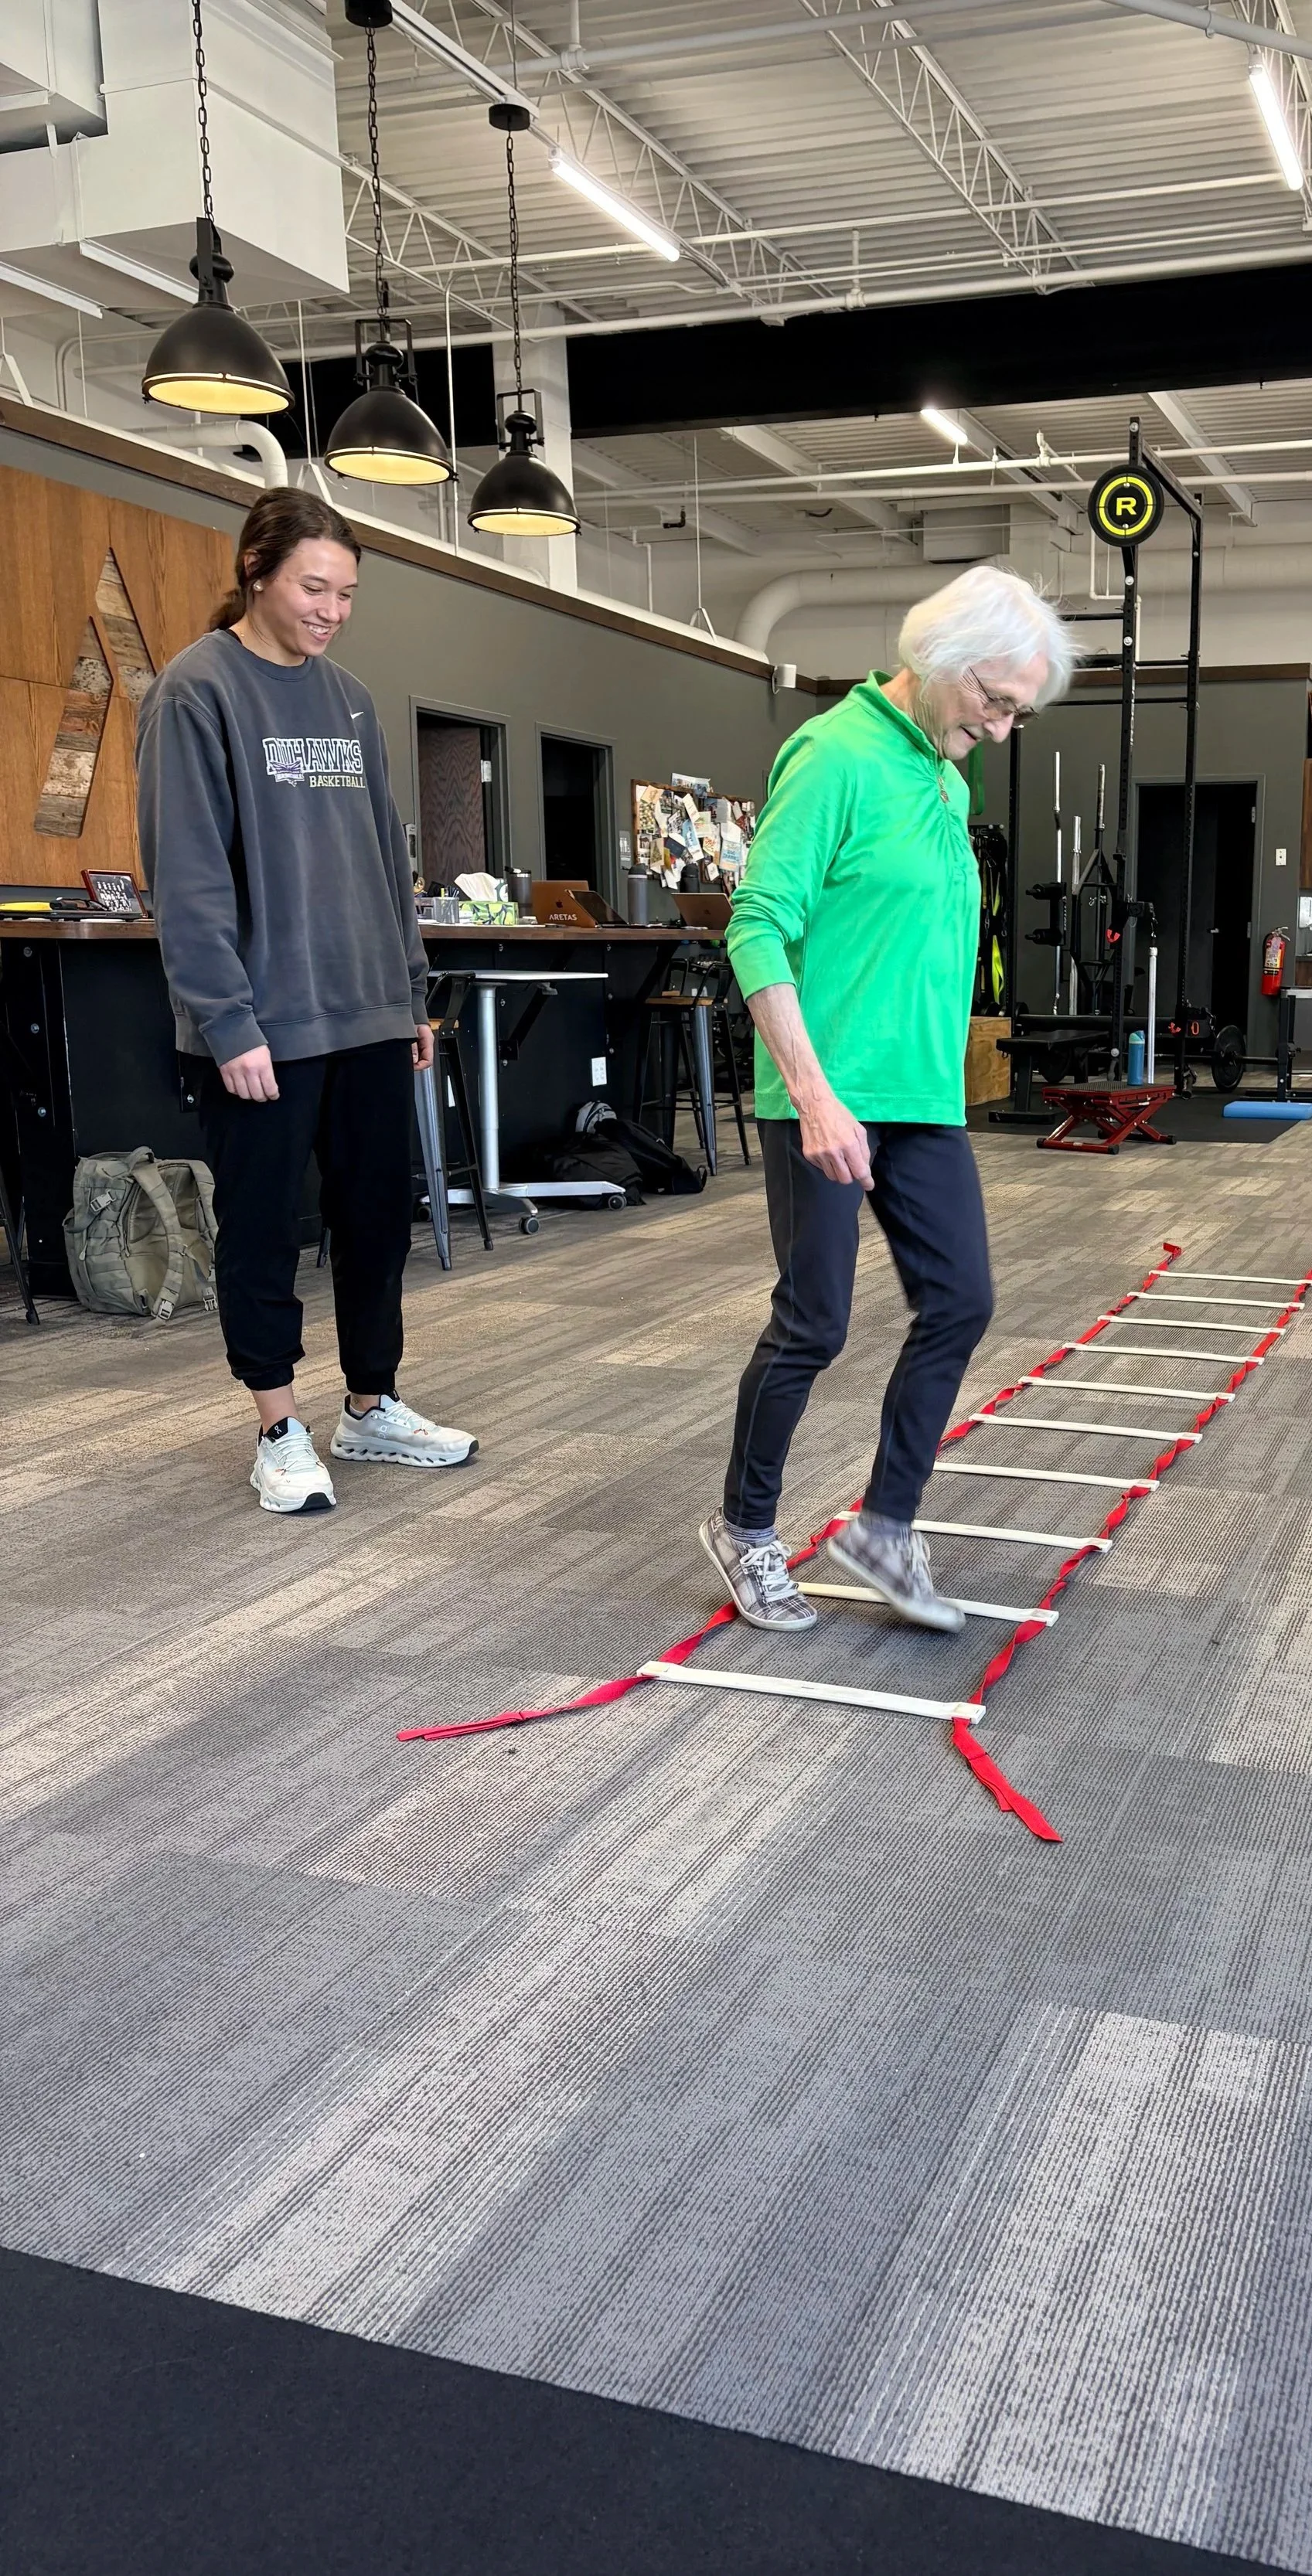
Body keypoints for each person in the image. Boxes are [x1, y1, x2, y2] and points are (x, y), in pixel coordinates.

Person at [701, 563, 1075, 1630]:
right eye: (995, 702)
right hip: (824, 1093)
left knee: (961, 1301)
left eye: (1019, 710)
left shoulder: (948, 779)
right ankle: (745, 1525)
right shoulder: (834, 755)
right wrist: (815, 1096)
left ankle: (885, 1528)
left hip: (919, 1099)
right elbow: (756, 925)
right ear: (939, 664)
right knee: (814, 1323)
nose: (1004, 729)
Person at [135, 488, 477, 1516]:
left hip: (368, 1012)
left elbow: (385, 854)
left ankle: (370, 1407)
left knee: (376, 1221)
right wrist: (228, 1021)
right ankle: (276, 1424)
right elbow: (186, 873)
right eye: (312, 588)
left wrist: (411, 992)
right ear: (257, 573)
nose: (330, 610)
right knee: (263, 1232)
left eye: (347, 593)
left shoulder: (354, 701)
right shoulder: (196, 694)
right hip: (262, 1029)